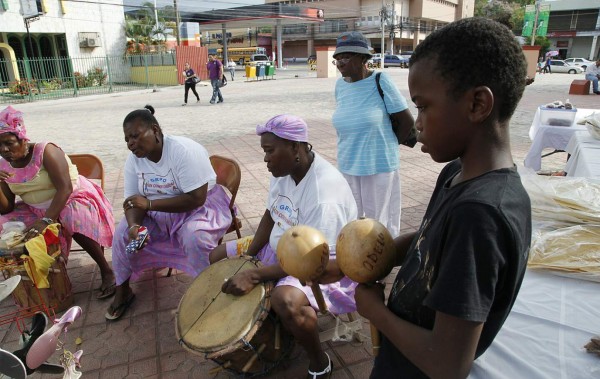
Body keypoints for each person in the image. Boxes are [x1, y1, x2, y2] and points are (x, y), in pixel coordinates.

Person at [354, 18, 532, 378]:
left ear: (477, 104)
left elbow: (448, 364)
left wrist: (376, 312)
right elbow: (428, 243)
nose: (416, 123)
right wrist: (375, 256)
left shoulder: (481, 216)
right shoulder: (456, 173)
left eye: (423, 106)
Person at [209, 114, 358, 379]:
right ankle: (267, 325)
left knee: (286, 301)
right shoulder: (284, 170)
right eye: (264, 151)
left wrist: (254, 273)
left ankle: (319, 362)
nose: (265, 159)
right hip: (282, 250)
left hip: (323, 267)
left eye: (269, 151)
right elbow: (271, 214)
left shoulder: (324, 194)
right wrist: (250, 257)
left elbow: (313, 263)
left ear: (296, 148)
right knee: (217, 256)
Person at [106, 105, 232, 320]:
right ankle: (123, 289)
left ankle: (211, 290)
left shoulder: (182, 151)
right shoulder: (134, 161)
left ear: (155, 130)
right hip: (159, 212)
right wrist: (135, 226)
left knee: (194, 237)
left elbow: (196, 198)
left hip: (199, 209)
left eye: (135, 136)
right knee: (122, 235)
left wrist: (149, 205)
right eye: (127, 139)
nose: (131, 144)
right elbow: (132, 202)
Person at [0, 106, 116, 299]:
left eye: (9, 143)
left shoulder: (45, 151)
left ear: (23, 138)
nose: (3, 150)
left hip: (71, 198)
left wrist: (46, 220)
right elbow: (6, 208)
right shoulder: (2, 165)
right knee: (5, 224)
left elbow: (65, 188)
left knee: (71, 216)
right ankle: (41, 280)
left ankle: (106, 270)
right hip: (36, 208)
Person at [331, 31, 415, 238]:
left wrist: (386, 146)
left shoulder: (380, 80)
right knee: (352, 219)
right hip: (348, 164)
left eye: (346, 57)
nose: (340, 62)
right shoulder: (340, 86)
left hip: (378, 165)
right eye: (338, 58)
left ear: (363, 58)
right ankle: (357, 261)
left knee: (379, 223)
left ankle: (381, 264)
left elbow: (406, 121)